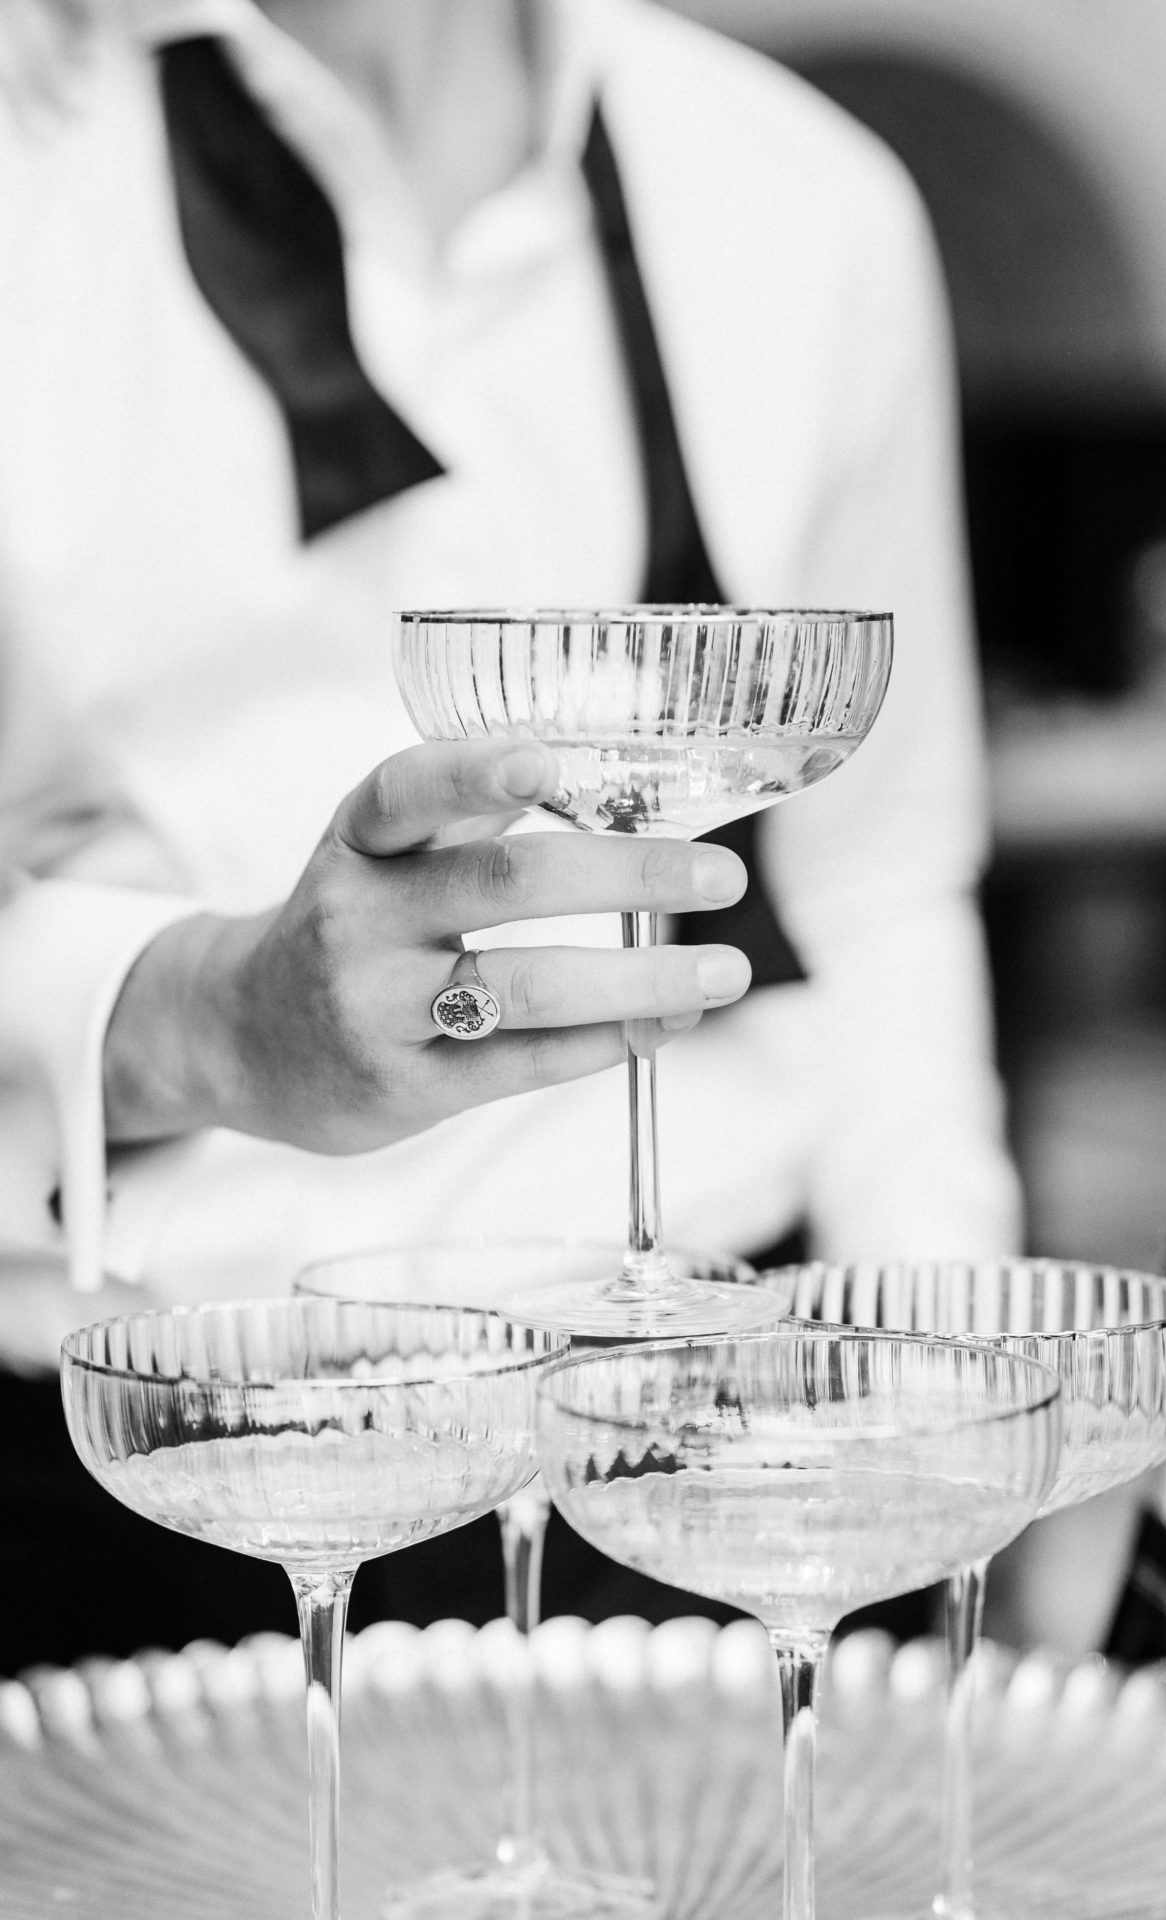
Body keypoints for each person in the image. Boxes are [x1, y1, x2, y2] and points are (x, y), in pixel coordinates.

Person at [0, 0, 1021, 1664]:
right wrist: (200, 1021)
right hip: (161, 1478)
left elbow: (883, 868)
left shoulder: (802, 197)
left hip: (720, 1453)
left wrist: (933, 1407)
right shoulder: (30, 164)